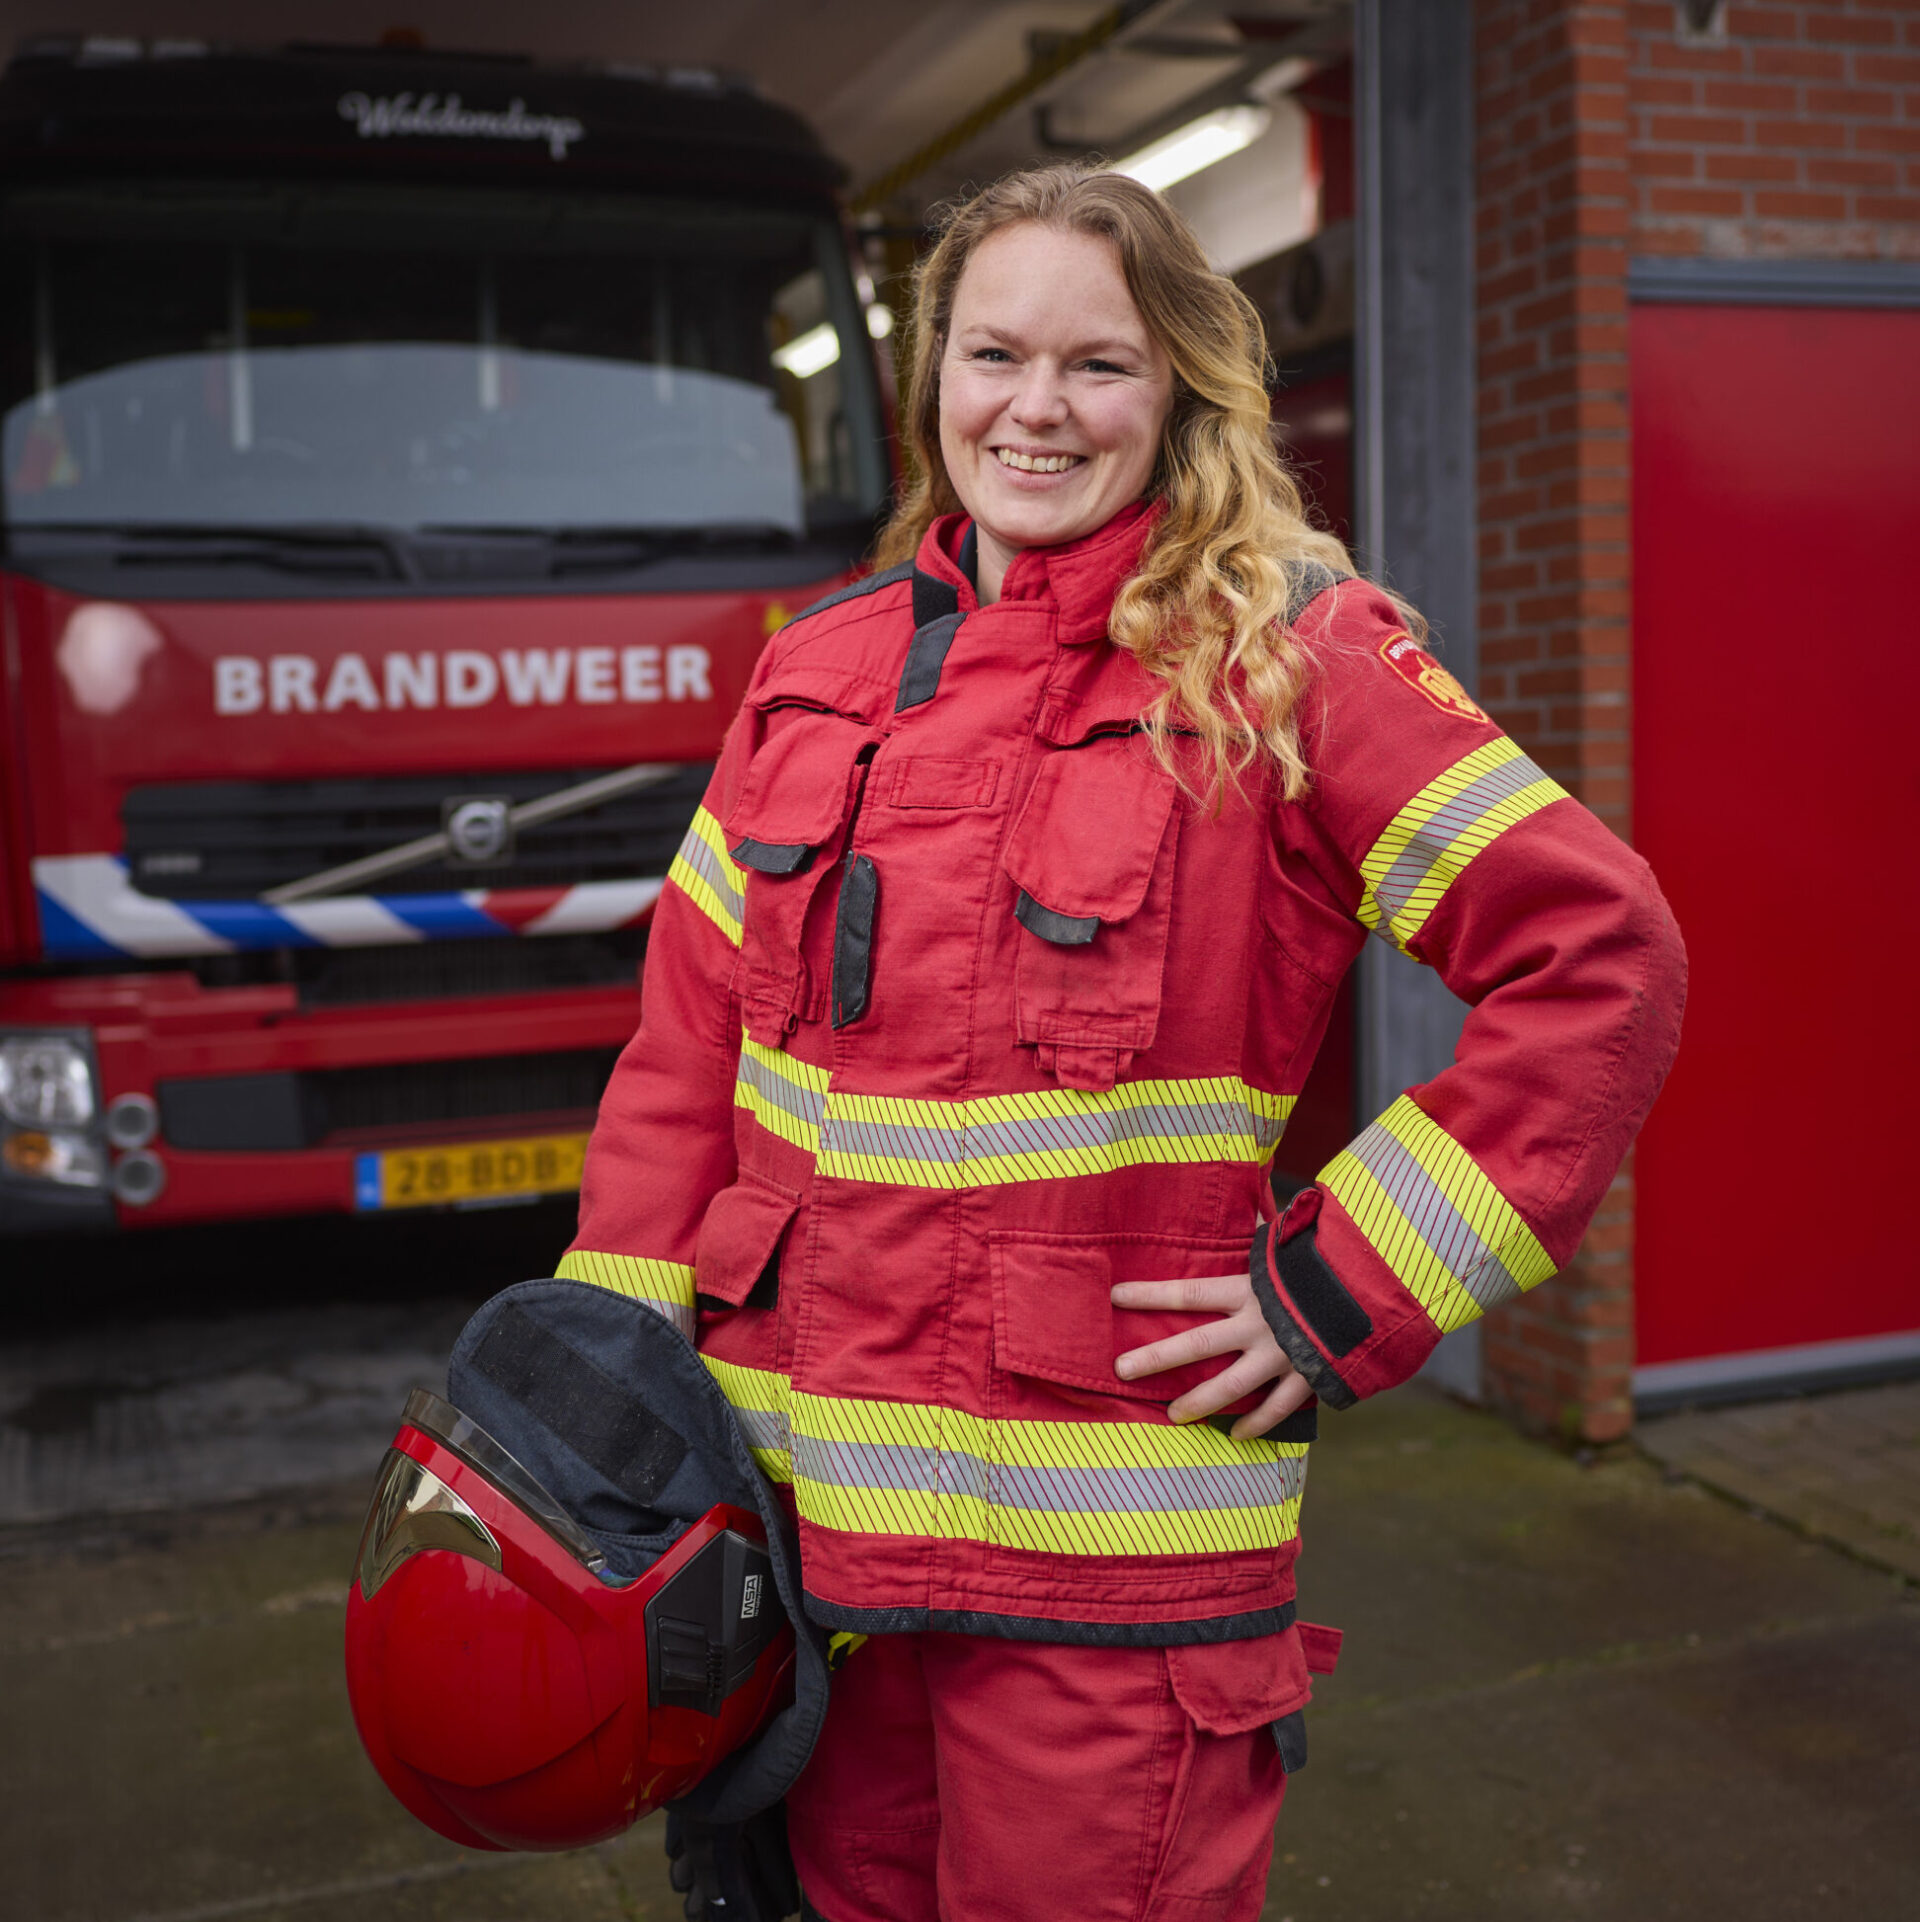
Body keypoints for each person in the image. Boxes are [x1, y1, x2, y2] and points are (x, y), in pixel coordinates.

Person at [559, 163, 1685, 1922]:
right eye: (995, 354)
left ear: (1179, 388)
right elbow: (687, 1055)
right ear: (934, 373)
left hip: (1107, 1606)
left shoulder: (1291, 663)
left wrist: (1343, 1284)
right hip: (808, 1568)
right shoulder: (816, 669)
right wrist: (612, 1405)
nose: (1037, 407)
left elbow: (1601, 959)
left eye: (1099, 364)